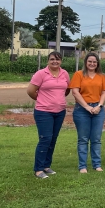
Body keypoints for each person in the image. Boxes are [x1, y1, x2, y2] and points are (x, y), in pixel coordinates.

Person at [27, 51, 71, 179]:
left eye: (57, 59)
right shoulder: (41, 74)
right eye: (52, 59)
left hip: (60, 111)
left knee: (52, 139)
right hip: (43, 112)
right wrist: (42, 99)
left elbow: (66, 90)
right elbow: (30, 91)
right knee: (45, 138)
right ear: (48, 61)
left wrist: (57, 100)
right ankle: (38, 169)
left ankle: (46, 165)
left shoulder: (65, 74)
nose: (55, 61)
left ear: (61, 61)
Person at [69, 52, 105, 173]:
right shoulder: (78, 74)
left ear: (97, 63)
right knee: (83, 139)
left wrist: (99, 106)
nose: (92, 64)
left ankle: (97, 164)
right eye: (90, 61)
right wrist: (87, 107)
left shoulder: (102, 76)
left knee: (96, 139)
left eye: (94, 62)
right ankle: (83, 166)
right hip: (82, 110)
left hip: (98, 109)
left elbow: (104, 92)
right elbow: (75, 92)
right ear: (86, 62)